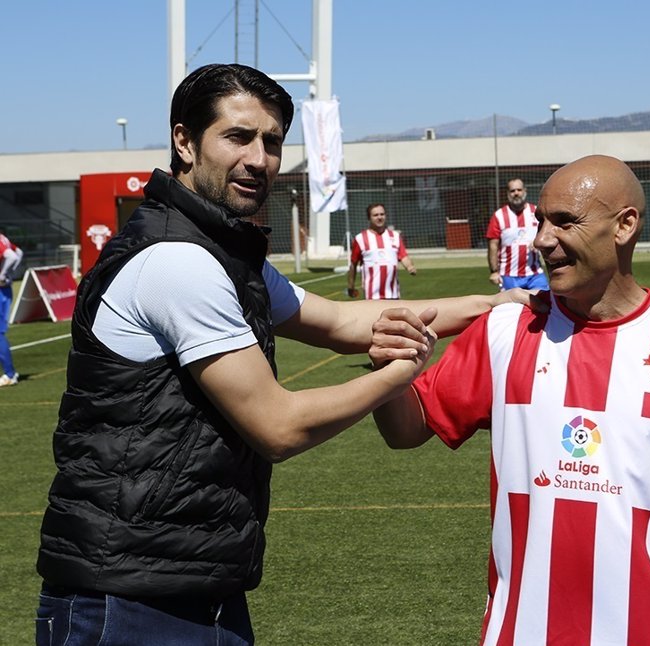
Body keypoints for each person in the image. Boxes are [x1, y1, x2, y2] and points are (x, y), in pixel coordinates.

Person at [34, 63, 531, 646]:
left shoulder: (223, 253)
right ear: (184, 141)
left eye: (271, 142)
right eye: (237, 136)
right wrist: (401, 372)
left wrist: (498, 304)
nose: (258, 159)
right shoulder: (177, 261)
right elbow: (278, 426)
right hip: (126, 598)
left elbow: (344, 320)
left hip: (194, 581)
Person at [373, 155, 650, 645]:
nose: (541, 239)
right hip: (520, 633)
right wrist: (390, 372)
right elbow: (406, 429)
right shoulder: (507, 331)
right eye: (541, 220)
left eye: (565, 221)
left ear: (625, 225)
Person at [486, 178, 549, 291]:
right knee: (512, 308)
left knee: (545, 305)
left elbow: (548, 234)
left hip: (535, 274)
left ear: (525, 191)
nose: (516, 193)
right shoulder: (499, 216)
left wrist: (537, 242)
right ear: (507, 193)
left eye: (519, 190)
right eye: (512, 190)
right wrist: (494, 271)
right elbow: (493, 245)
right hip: (509, 276)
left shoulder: (536, 212)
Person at [347, 203, 416, 299]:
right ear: (369, 218)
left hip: (393, 295)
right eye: (375, 215)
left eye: (382, 214)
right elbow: (353, 264)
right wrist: (351, 285)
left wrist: (409, 266)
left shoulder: (395, 236)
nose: (379, 217)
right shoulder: (360, 238)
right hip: (372, 296)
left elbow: (403, 256)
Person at [0, 234, 21, 386]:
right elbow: (19, 252)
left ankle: (10, 374)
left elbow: (12, 256)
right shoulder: (3, 238)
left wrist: (2, 274)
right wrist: (8, 273)